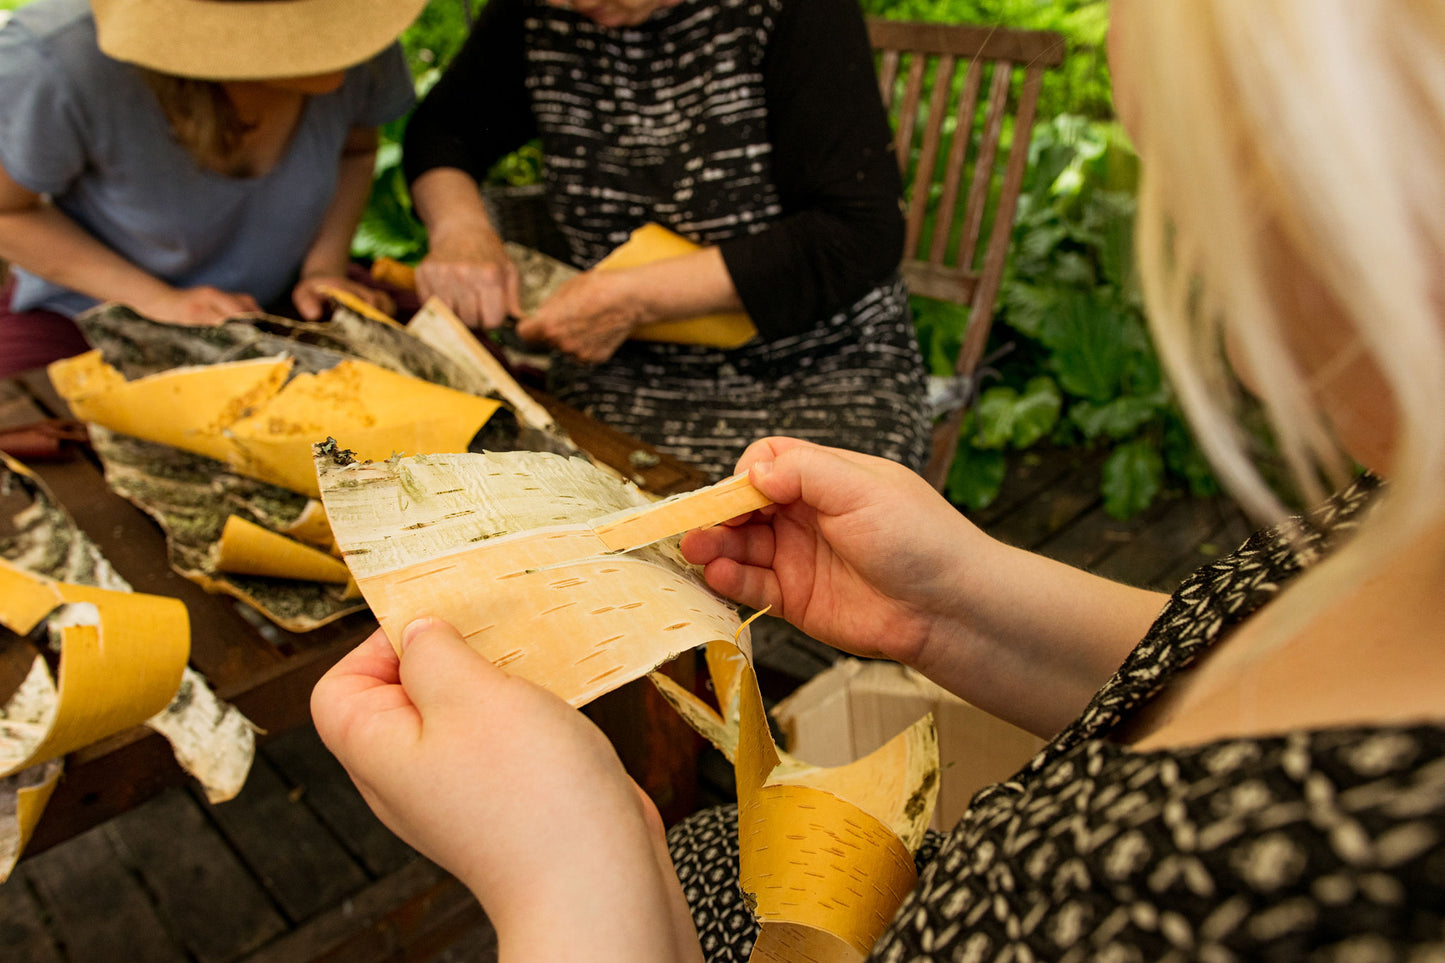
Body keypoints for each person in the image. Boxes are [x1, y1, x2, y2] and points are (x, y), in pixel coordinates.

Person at [311, 1, 1445, 960]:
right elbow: (1232, 673)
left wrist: (572, 877)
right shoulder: (1403, 508)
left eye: (1203, 186)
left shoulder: (1354, 867)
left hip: (805, 358)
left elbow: (853, 237)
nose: (1203, 288)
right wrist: (953, 605)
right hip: (649, 378)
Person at [400, 0, 932, 480]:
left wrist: (629, 299)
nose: (578, 4)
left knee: (798, 538)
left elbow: (858, 233)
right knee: (570, 523)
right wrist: (461, 231)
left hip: (823, 365)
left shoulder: (792, 11)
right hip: (623, 371)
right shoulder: (538, 13)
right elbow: (441, 133)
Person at [0, 0, 427, 378]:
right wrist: (161, 302)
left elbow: (355, 150)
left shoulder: (360, 40)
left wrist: (324, 268)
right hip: (88, 313)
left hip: (284, 302)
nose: (342, 34)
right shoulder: (56, 60)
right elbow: (9, 214)